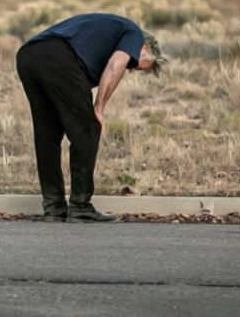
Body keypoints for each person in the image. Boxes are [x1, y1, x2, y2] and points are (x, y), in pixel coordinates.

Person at [15, 12, 168, 223]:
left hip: (28, 55)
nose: (131, 70)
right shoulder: (134, 34)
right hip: (57, 56)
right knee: (88, 128)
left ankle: (54, 207)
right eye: (135, 65)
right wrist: (99, 108)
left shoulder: (108, 33)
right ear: (144, 48)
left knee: (47, 135)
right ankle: (80, 207)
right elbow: (115, 66)